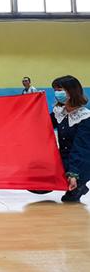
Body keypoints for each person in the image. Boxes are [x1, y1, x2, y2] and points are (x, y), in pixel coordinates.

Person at [50, 75, 90, 203]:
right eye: (55, 90)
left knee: (69, 199)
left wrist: (73, 174)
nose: (57, 93)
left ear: (72, 91)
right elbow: (41, 124)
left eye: (60, 90)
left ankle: (80, 183)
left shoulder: (85, 117)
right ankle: (76, 183)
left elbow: (81, 149)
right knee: (36, 182)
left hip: (81, 161)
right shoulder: (59, 112)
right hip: (64, 157)